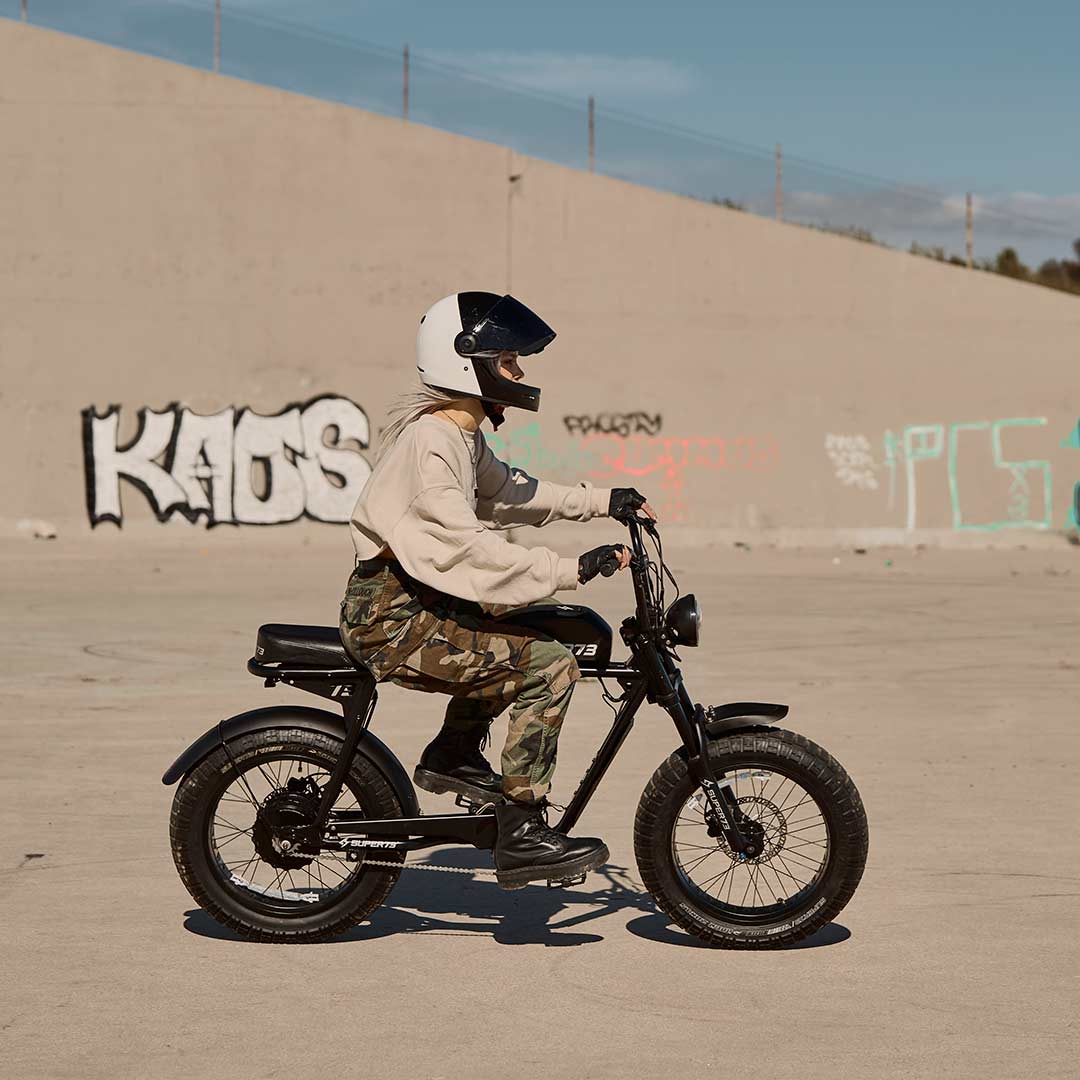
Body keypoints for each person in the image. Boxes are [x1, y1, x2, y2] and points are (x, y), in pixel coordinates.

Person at [340, 291, 656, 889]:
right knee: (550, 666)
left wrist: (602, 501)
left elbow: (512, 491)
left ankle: (453, 755)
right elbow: (472, 551)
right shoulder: (431, 445)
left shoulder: (458, 435)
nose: (519, 372)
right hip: (394, 618)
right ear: (469, 362)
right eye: (508, 360)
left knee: (528, 633)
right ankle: (522, 830)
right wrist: (570, 570)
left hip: (421, 603)